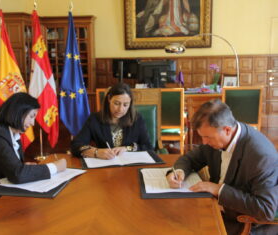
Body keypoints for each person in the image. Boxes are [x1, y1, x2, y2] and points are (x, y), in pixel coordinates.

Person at [166, 99, 278, 235]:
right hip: (212, 207)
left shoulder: (261, 156)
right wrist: (179, 171)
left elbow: (265, 210)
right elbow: (190, 158)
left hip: (241, 223)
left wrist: (219, 190)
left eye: (207, 137)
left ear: (227, 130)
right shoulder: (216, 138)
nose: (204, 142)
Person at [0, 92, 67, 229]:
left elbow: (13, 167)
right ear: (19, 112)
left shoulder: (11, 131)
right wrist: (55, 167)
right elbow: (17, 174)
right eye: (31, 117)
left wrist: (21, 166)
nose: (33, 123)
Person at [71, 83, 153, 159]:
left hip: (130, 167)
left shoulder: (137, 119)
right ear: (109, 99)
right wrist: (96, 152)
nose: (120, 109)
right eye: (116, 103)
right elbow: (76, 145)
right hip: (105, 166)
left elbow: (148, 147)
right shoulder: (94, 119)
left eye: (125, 105)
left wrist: (127, 148)